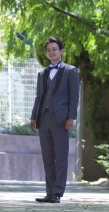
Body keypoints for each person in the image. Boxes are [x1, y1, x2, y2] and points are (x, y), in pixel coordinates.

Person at [29, 37, 79, 203]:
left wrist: (71, 117)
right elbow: (39, 97)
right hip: (44, 119)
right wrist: (33, 117)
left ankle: (58, 192)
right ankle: (49, 192)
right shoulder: (42, 74)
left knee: (61, 157)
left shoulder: (71, 71)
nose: (52, 52)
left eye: (55, 49)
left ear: (61, 51)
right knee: (48, 157)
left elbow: (74, 96)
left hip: (61, 119)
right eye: (49, 50)